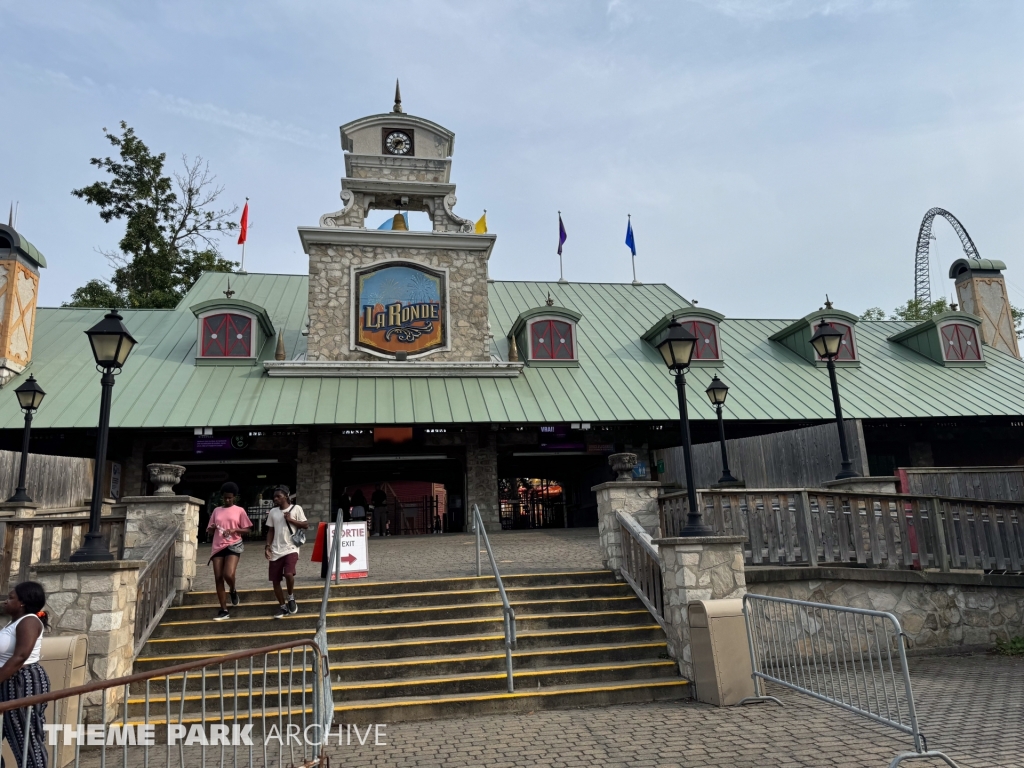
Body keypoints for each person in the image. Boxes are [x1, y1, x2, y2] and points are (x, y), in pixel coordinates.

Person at [0, 582, 50, 768]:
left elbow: (20, 657)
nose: (6, 601)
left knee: (25, 740)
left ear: (22, 602)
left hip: (22, 682)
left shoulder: (29, 621)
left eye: (11, 598)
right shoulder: (12, 623)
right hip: (7, 681)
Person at [206, 482, 253, 621]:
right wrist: (212, 528)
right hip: (218, 546)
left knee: (228, 573)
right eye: (225, 498)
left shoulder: (239, 510)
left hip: (233, 544)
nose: (227, 500)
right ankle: (224, 609)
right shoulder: (216, 511)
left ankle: (232, 589)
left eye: (230, 498)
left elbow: (248, 529)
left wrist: (235, 530)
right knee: (218, 577)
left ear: (234, 497)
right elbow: (209, 531)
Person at [265, 486, 309, 619]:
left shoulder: (296, 509)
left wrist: (291, 520)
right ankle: (283, 607)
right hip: (276, 549)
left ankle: (291, 597)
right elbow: (271, 530)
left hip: (291, 548)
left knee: (289, 574)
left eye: (278, 496)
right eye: (274, 497)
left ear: (286, 496)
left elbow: (305, 524)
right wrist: (267, 546)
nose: (275, 499)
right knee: (275, 580)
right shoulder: (273, 512)